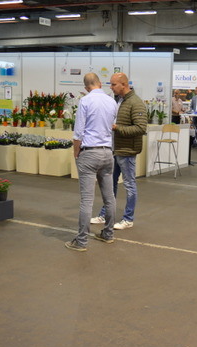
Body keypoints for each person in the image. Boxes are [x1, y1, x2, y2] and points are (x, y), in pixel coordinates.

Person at [65, 73, 117, 252]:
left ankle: (81, 241)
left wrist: (76, 153)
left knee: (87, 200)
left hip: (89, 152)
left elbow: (78, 132)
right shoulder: (112, 102)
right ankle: (108, 234)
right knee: (109, 198)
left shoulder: (85, 101)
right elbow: (111, 127)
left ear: (86, 87)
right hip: (107, 152)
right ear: (100, 84)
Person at [92, 72, 147, 230]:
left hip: (127, 151)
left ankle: (128, 219)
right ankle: (105, 214)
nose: (111, 87)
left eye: (113, 84)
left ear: (124, 84)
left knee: (129, 185)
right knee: (110, 184)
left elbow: (141, 128)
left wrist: (117, 128)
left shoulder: (136, 103)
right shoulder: (117, 101)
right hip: (114, 150)